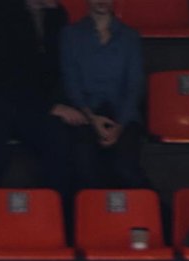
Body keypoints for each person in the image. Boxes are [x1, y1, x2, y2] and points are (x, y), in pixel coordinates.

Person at [0, 0, 82, 212]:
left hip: (32, 103)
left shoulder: (57, 15)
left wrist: (56, 104)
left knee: (60, 144)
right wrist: (47, 106)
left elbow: (55, 70)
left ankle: (54, 219)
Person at [58, 0, 148, 188]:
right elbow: (71, 82)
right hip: (85, 114)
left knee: (125, 167)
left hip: (123, 115)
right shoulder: (70, 35)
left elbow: (135, 85)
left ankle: (152, 204)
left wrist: (120, 125)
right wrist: (91, 118)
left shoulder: (130, 37)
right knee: (83, 166)